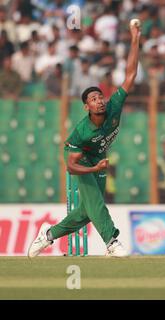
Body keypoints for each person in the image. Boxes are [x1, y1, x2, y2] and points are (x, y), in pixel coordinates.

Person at [27, 21, 142, 258]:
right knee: (96, 203)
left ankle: (47, 235)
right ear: (86, 106)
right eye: (93, 98)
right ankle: (112, 241)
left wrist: (135, 38)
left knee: (87, 212)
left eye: (100, 96)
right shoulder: (82, 131)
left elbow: (130, 74)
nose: (99, 100)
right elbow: (71, 166)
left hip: (97, 157)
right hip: (79, 158)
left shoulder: (114, 106)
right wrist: (94, 167)